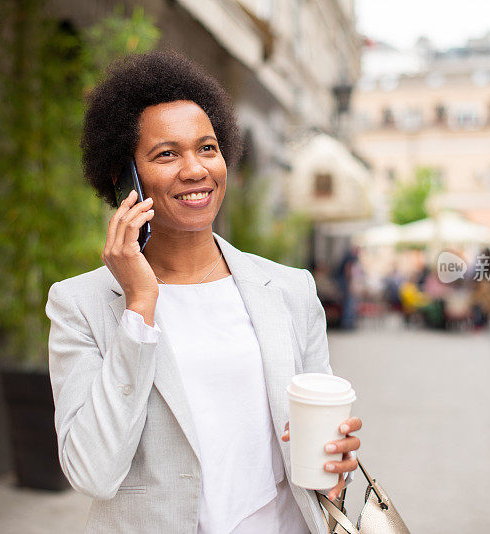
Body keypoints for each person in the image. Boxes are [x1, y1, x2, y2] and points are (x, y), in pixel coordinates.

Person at [44, 50, 361, 534]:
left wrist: (331, 465)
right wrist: (139, 308)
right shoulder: (80, 305)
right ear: (123, 177)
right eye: (166, 154)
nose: (195, 170)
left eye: (207, 148)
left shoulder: (290, 290)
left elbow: (316, 438)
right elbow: (92, 472)